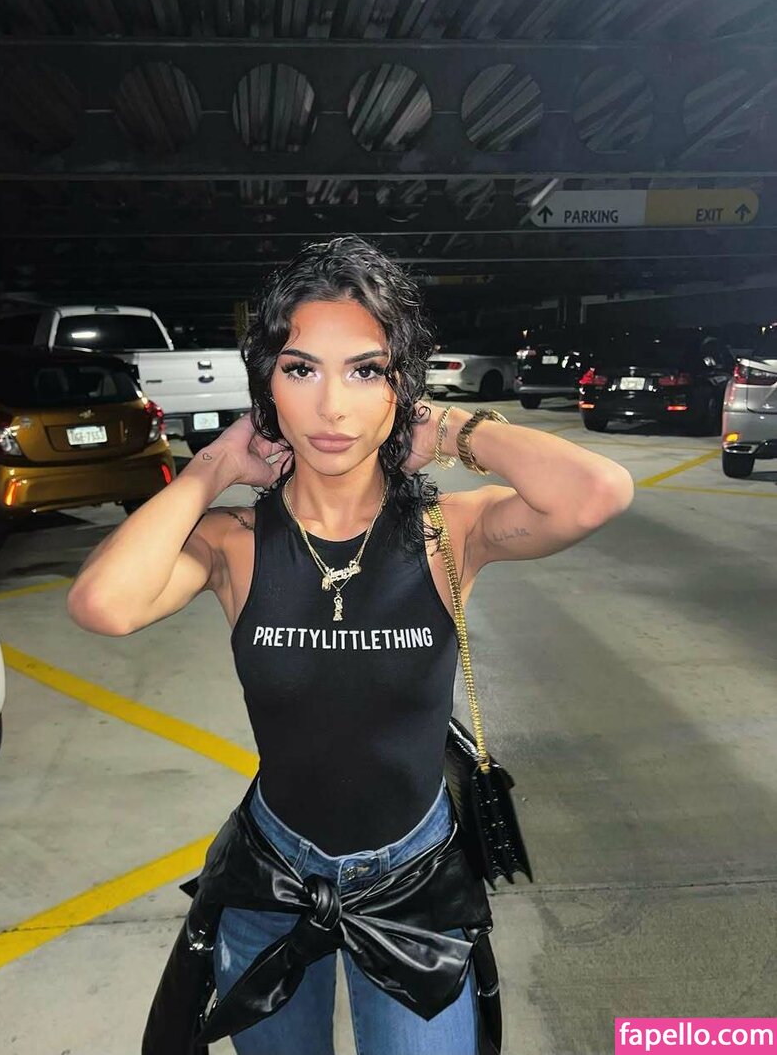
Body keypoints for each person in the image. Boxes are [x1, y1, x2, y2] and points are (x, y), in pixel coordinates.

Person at [66, 236, 634, 1055]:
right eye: (301, 369)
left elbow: (597, 492)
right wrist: (212, 467)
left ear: (400, 386)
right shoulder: (235, 542)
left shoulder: (447, 532)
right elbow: (101, 605)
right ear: (267, 386)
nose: (332, 406)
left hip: (413, 883)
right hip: (271, 877)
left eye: (366, 371)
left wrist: (450, 429)